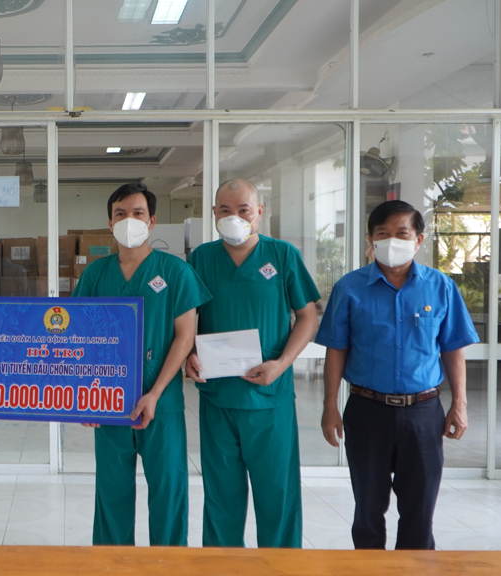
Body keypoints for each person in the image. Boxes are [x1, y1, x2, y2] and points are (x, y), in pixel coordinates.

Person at [315, 200, 478, 550]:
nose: (392, 241)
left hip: (423, 412)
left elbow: (453, 349)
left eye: (401, 233)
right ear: (371, 240)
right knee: (368, 512)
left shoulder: (441, 287)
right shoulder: (350, 288)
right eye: (383, 234)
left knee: (419, 512)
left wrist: (459, 403)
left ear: (418, 239)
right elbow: (336, 349)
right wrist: (330, 406)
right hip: (366, 410)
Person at [71, 183, 209, 546]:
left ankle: (168, 565)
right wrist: (83, 396)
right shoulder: (95, 275)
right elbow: (77, 338)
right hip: (108, 401)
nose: (128, 220)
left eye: (137, 213)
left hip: (160, 403)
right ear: (109, 221)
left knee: (168, 490)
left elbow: (184, 336)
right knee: (111, 493)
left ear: (152, 221)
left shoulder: (174, 272)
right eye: (120, 214)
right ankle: (113, 565)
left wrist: (155, 392)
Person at [184, 178, 320, 549]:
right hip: (218, 398)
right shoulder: (201, 259)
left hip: (269, 398)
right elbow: (186, 319)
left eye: (243, 209)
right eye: (225, 210)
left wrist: (281, 363)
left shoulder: (282, 255)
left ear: (259, 212)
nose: (234, 218)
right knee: (221, 499)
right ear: (214, 214)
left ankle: (280, 567)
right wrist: (188, 356)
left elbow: (308, 317)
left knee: (277, 495)